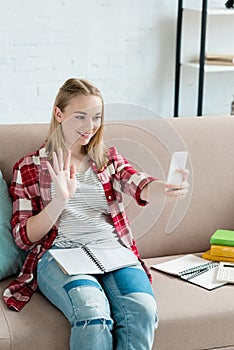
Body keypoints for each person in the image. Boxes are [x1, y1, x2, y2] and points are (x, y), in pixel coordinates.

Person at [3, 78, 189, 350]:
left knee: (143, 311)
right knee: (93, 315)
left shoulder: (107, 159)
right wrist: (59, 201)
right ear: (59, 113)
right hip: (60, 255)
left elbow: (138, 183)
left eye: (96, 117)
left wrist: (166, 188)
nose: (90, 126)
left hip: (111, 250)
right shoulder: (29, 167)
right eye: (80, 117)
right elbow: (23, 237)